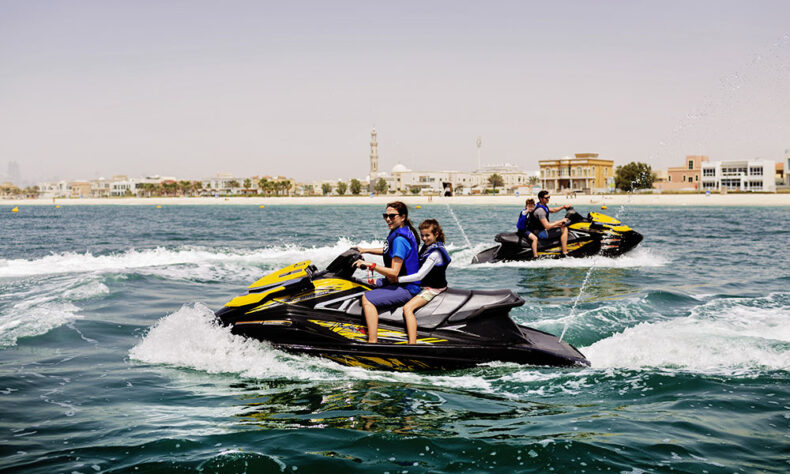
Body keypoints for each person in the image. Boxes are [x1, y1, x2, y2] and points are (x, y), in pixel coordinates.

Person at [352, 201, 421, 343]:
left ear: (402, 217)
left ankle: (372, 341)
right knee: (364, 283)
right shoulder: (403, 231)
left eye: (392, 216)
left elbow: (394, 272)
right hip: (401, 283)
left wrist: (370, 264)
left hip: (407, 287)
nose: (388, 219)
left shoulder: (400, 239)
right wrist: (365, 250)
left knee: (367, 299)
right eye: (386, 215)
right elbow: (388, 251)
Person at [396, 219, 452, 344]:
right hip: (425, 285)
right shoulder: (428, 247)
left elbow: (420, 276)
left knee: (408, 308)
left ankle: (412, 343)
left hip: (432, 289)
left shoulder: (435, 253)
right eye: (422, 235)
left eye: (427, 235)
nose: (424, 238)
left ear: (436, 234)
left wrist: (397, 279)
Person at [534, 190, 571, 257]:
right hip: (540, 233)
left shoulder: (541, 205)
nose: (548, 199)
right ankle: (565, 253)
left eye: (549, 197)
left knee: (561, 224)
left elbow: (553, 210)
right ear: (540, 199)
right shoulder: (540, 211)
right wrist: (560, 221)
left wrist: (563, 207)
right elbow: (547, 226)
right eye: (546, 198)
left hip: (541, 228)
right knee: (564, 228)